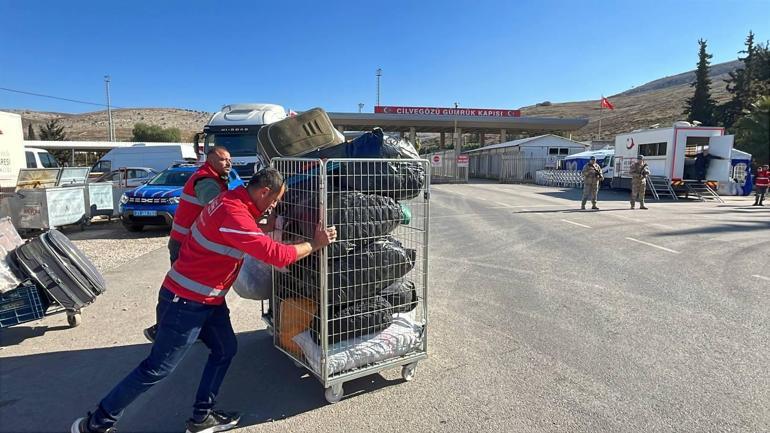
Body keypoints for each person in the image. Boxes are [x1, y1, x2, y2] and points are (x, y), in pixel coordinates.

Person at [71, 169, 337, 433]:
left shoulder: (231, 200)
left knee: (225, 349)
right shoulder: (233, 213)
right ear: (264, 191)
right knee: (157, 368)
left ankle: (202, 417)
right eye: (275, 200)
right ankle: (96, 423)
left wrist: (269, 224)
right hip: (185, 302)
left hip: (208, 300)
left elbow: (247, 229)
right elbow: (277, 255)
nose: (274, 205)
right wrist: (315, 243)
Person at [143, 145, 233, 342]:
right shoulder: (206, 181)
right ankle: (161, 330)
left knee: (196, 290)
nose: (229, 163)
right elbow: (216, 208)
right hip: (185, 244)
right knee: (180, 290)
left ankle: (203, 329)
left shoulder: (215, 178)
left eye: (229, 159)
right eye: (223, 159)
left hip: (189, 243)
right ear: (210, 160)